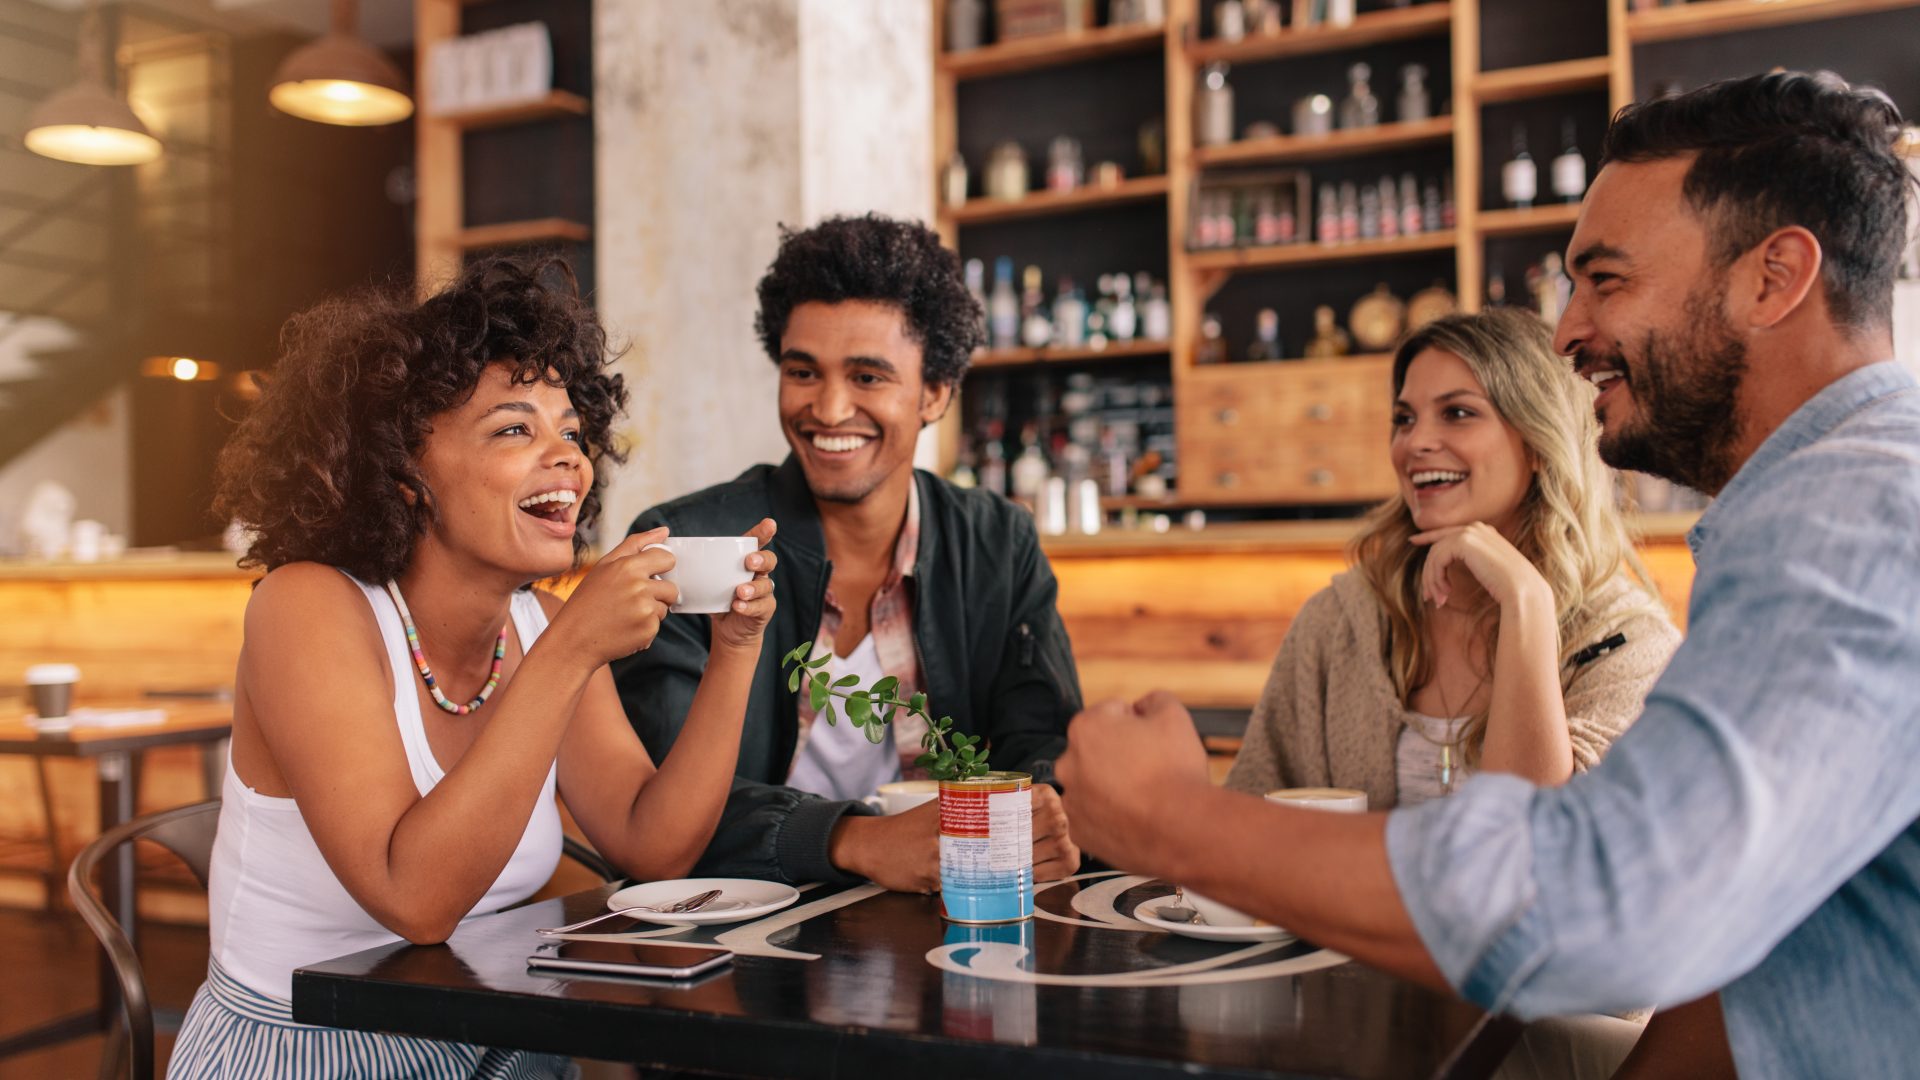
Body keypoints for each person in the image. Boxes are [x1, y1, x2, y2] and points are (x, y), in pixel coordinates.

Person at [1058, 70, 1920, 1077]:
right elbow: (1760, 954)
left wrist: (1173, 821)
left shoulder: (1851, 515)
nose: (1566, 331)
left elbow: (1597, 906)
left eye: (1607, 278)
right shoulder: (1822, 506)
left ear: (1773, 278)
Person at [171, 257, 777, 1078]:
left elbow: (653, 842)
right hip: (311, 1047)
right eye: (514, 428)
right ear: (404, 472)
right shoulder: (307, 608)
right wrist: (570, 652)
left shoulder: (542, 623)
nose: (566, 456)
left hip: (497, 1037)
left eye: (571, 430)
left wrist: (735, 651)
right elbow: (414, 899)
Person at [613, 213, 1081, 893]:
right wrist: (855, 841)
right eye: (803, 371)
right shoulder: (689, 546)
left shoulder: (997, 544)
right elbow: (658, 806)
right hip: (736, 934)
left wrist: (1041, 826)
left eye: (867, 377)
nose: (828, 409)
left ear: (936, 393)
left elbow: (1044, 753)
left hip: (954, 921)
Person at [1226, 307, 1679, 810]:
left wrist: (1525, 601)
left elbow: (1535, 842)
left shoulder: (1630, 648)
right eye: (1404, 419)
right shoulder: (1339, 623)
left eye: (1457, 413)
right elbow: (1244, 822)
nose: (1414, 443)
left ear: (1537, 441)